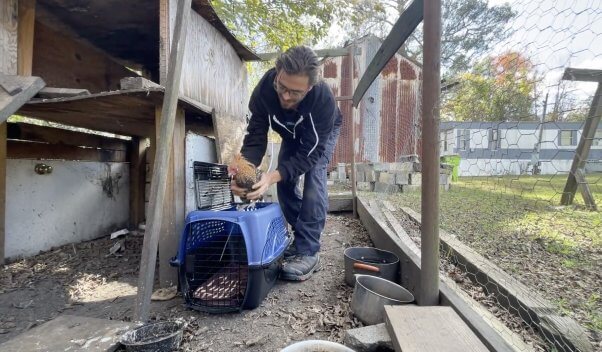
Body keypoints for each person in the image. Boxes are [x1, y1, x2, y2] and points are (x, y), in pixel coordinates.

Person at [229, 46, 342, 281]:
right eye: (282, 87)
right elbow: (255, 137)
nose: (286, 96)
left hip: (319, 136)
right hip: (291, 133)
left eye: (295, 93)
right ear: (277, 72)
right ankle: (302, 236)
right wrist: (243, 170)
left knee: (314, 176)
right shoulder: (264, 91)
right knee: (285, 182)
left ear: (309, 88)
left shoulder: (322, 100)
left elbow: (310, 154)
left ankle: (308, 250)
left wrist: (271, 176)